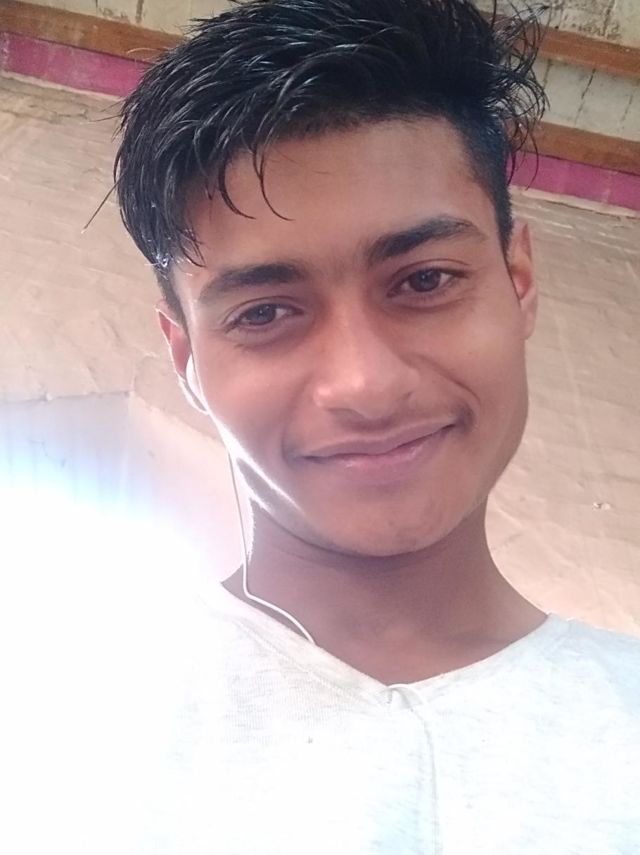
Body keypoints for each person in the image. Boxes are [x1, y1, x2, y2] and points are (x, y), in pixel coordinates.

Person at [114, 0, 640, 851]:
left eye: (425, 280)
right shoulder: (62, 737)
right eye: (265, 312)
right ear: (186, 357)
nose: (366, 383)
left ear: (518, 282)